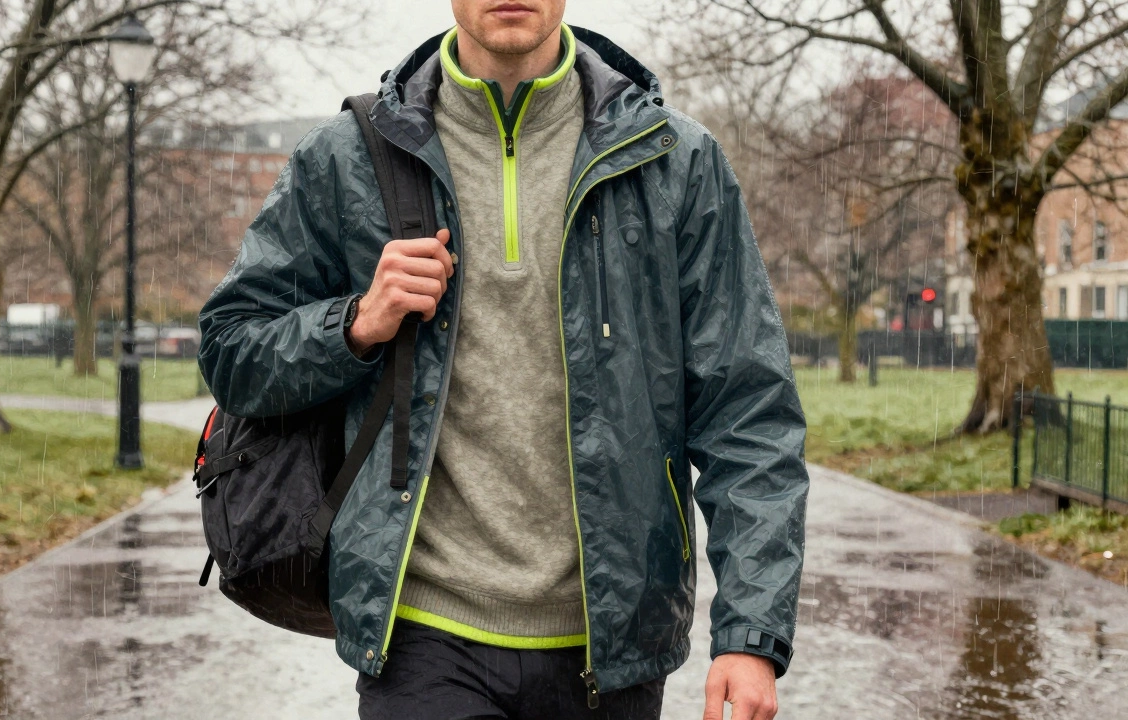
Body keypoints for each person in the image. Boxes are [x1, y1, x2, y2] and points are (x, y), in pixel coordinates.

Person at [198, 1, 809, 718]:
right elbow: (232, 350)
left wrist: (750, 635)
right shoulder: (348, 157)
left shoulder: (675, 161)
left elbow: (750, 414)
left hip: (611, 642)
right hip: (423, 634)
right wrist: (357, 323)